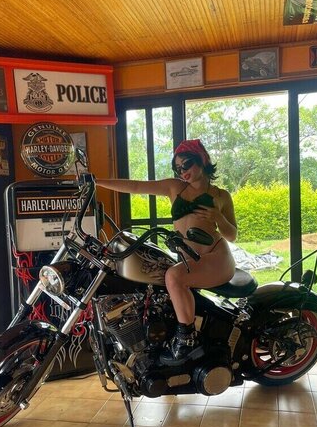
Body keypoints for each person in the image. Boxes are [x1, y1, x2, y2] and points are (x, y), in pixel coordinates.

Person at [96, 139, 237, 364]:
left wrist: (218, 217)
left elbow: (232, 235)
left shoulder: (221, 195)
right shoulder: (175, 187)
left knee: (174, 276)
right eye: (177, 167)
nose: (182, 171)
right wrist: (97, 182)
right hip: (190, 259)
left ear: (202, 160)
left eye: (187, 164)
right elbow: (137, 187)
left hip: (216, 257)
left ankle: (187, 340)